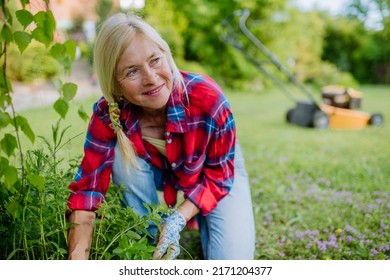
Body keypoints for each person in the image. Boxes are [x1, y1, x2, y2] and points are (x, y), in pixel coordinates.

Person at [67, 12, 255, 260]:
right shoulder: (108, 115)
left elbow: (219, 177)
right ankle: (148, 241)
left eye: (155, 60)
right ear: (114, 82)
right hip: (154, 171)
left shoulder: (207, 99)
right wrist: (77, 256)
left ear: (166, 55)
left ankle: (192, 218)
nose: (151, 78)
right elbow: (87, 192)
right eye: (132, 71)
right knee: (122, 155)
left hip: (216, 171)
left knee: (233, 264)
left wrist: (178, 218)